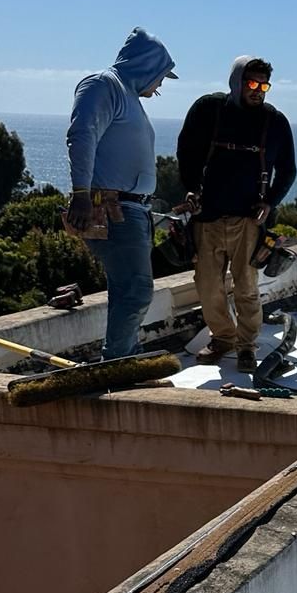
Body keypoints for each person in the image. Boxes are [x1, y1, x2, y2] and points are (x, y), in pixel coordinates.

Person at [176, 56, 296, 371]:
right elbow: (186, 152)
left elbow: (288, 170)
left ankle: (246, 347)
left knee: (246, 287)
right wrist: (191, 188)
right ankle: (222, 338)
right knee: (207, 285)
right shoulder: (208, 110)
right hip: (207, 217)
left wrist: (270, 202)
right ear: (237, 81)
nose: (258, 90)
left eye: (264, 86)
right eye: (252, 83)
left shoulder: (275, 122)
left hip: (249, 220)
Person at [65, 28, 177, 360]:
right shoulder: (103, 85)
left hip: (132, 209)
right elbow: (82, 134)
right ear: (147, 66)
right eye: (160, 77)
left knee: (126, 288)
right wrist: (81, 193)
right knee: (137, 291)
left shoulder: (126, 95)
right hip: (114, 208)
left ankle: (122, 355)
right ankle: (118, 360)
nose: (160, 86)